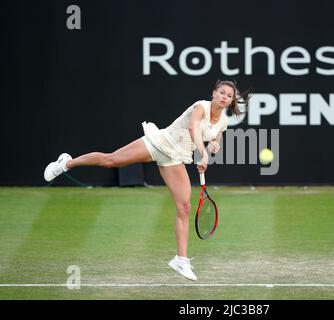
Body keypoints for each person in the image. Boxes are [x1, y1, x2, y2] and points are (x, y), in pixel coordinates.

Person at [43, 80, 250, 281]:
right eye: (222, 93)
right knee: (110, 160)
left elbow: (216, 139)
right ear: (214, 93)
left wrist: (213, 146)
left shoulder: (223, 121)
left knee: (185, 206)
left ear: (231, 101)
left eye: (229, 96)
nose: (225, 97)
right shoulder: (200, 106)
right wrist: (202, 153)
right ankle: (66, 163)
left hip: (175, 158)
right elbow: (193, 129)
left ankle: (181, 259)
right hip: (159, 143)